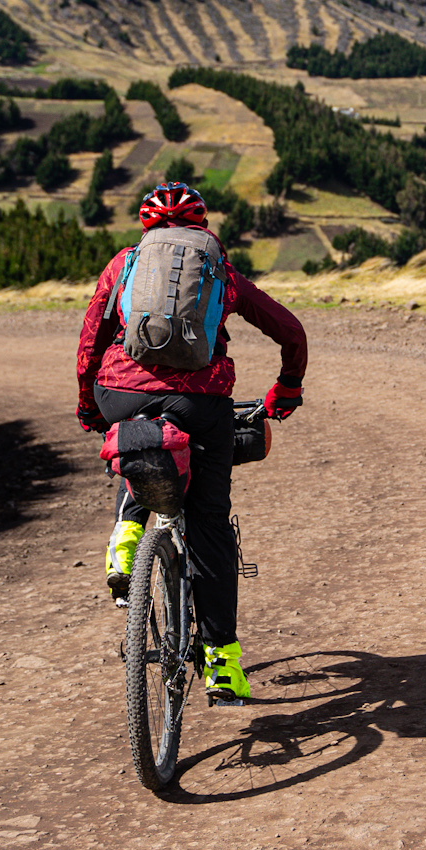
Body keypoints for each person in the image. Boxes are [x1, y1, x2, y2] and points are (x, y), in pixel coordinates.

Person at [75, 180, 307, 702]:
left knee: (133, 443)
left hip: (120, 393)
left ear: (146, 225)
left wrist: (90, 403)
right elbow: (290, 331)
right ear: (201, 225)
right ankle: (222, 664)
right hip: (200, 402)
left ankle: (126, 536)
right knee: (207, 523)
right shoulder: (217, 266)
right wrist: (286, 388)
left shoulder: (124, 264)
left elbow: (91, 336)